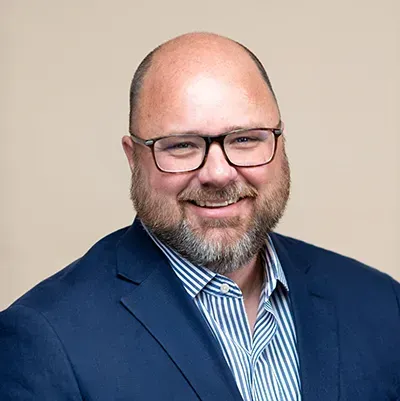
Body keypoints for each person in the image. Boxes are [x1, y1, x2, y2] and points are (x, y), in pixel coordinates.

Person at [0, 32, 399, 401]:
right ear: (133, 158)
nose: (218, 173)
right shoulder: (43, 340)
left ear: (280, 143)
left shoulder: (381, 304)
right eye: (182, 145)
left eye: (244, 139)